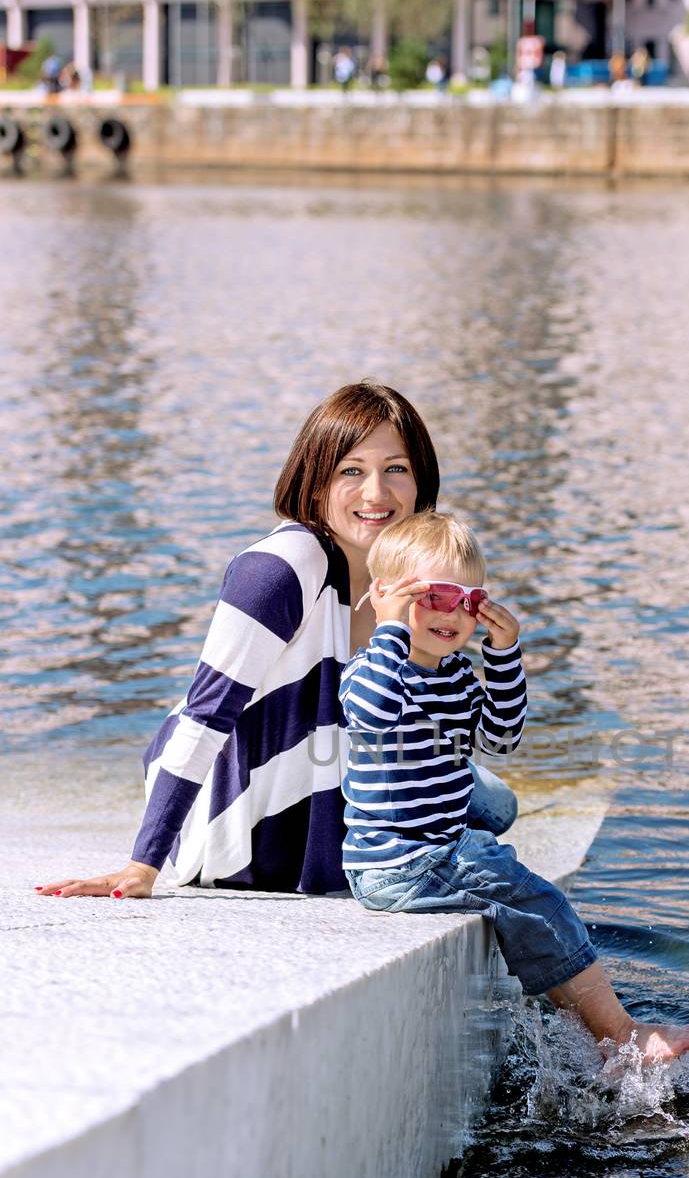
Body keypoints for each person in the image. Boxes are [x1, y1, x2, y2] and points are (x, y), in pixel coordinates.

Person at [36, 383, 517, 901]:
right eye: (350, 471)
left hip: (343, 773)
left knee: (496, 806)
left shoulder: (405, 575)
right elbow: (206, 713)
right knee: (476, 814)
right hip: (249, 812)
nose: (377, 493)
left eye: (395, 468)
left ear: (421, 481)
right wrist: (142, 863)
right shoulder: (279, 569)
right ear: (314, 485)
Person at [342, 511, 689, 1064]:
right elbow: (372, 715)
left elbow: (502, 736)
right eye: (435, 595)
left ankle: (588, 1029)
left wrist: (503, 654)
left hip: (436, 846)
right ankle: (618, 1031)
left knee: (518, 883)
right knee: (540, 898)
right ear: (388, 595)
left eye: (469, 601)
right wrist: (390, 628)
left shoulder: (457, 675)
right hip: (401, 862)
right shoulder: (372, 669)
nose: (454, 614)